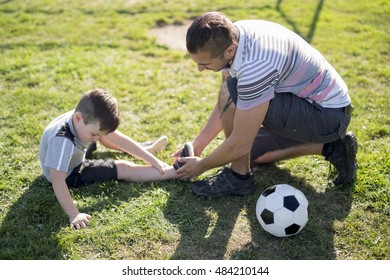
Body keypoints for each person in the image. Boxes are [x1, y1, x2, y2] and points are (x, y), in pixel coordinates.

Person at [174, 12, 358, 198]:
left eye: (205, 64)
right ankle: (334, 147)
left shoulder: (254, 66)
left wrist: (201, 165)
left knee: (238, 142)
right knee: (251, 154)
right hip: (311, 105)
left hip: (326, 116)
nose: (200, 69)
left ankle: (238, 177)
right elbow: (226, 102)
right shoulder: (232, 35)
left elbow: (239, 143)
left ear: (229, 51)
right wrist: (198, 145)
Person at [39, 88, 177, 229]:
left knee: (104, 135)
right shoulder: (62, 142)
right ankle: (174, 172)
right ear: (78, 118)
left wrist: (151, 159)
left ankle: (147, 150)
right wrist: (74, 214)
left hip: (77, 148)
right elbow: (58, 181)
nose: (97, 138)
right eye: (94, 134)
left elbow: (119, 139)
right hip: (69, 171)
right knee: (124, 167)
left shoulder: (84, 120)